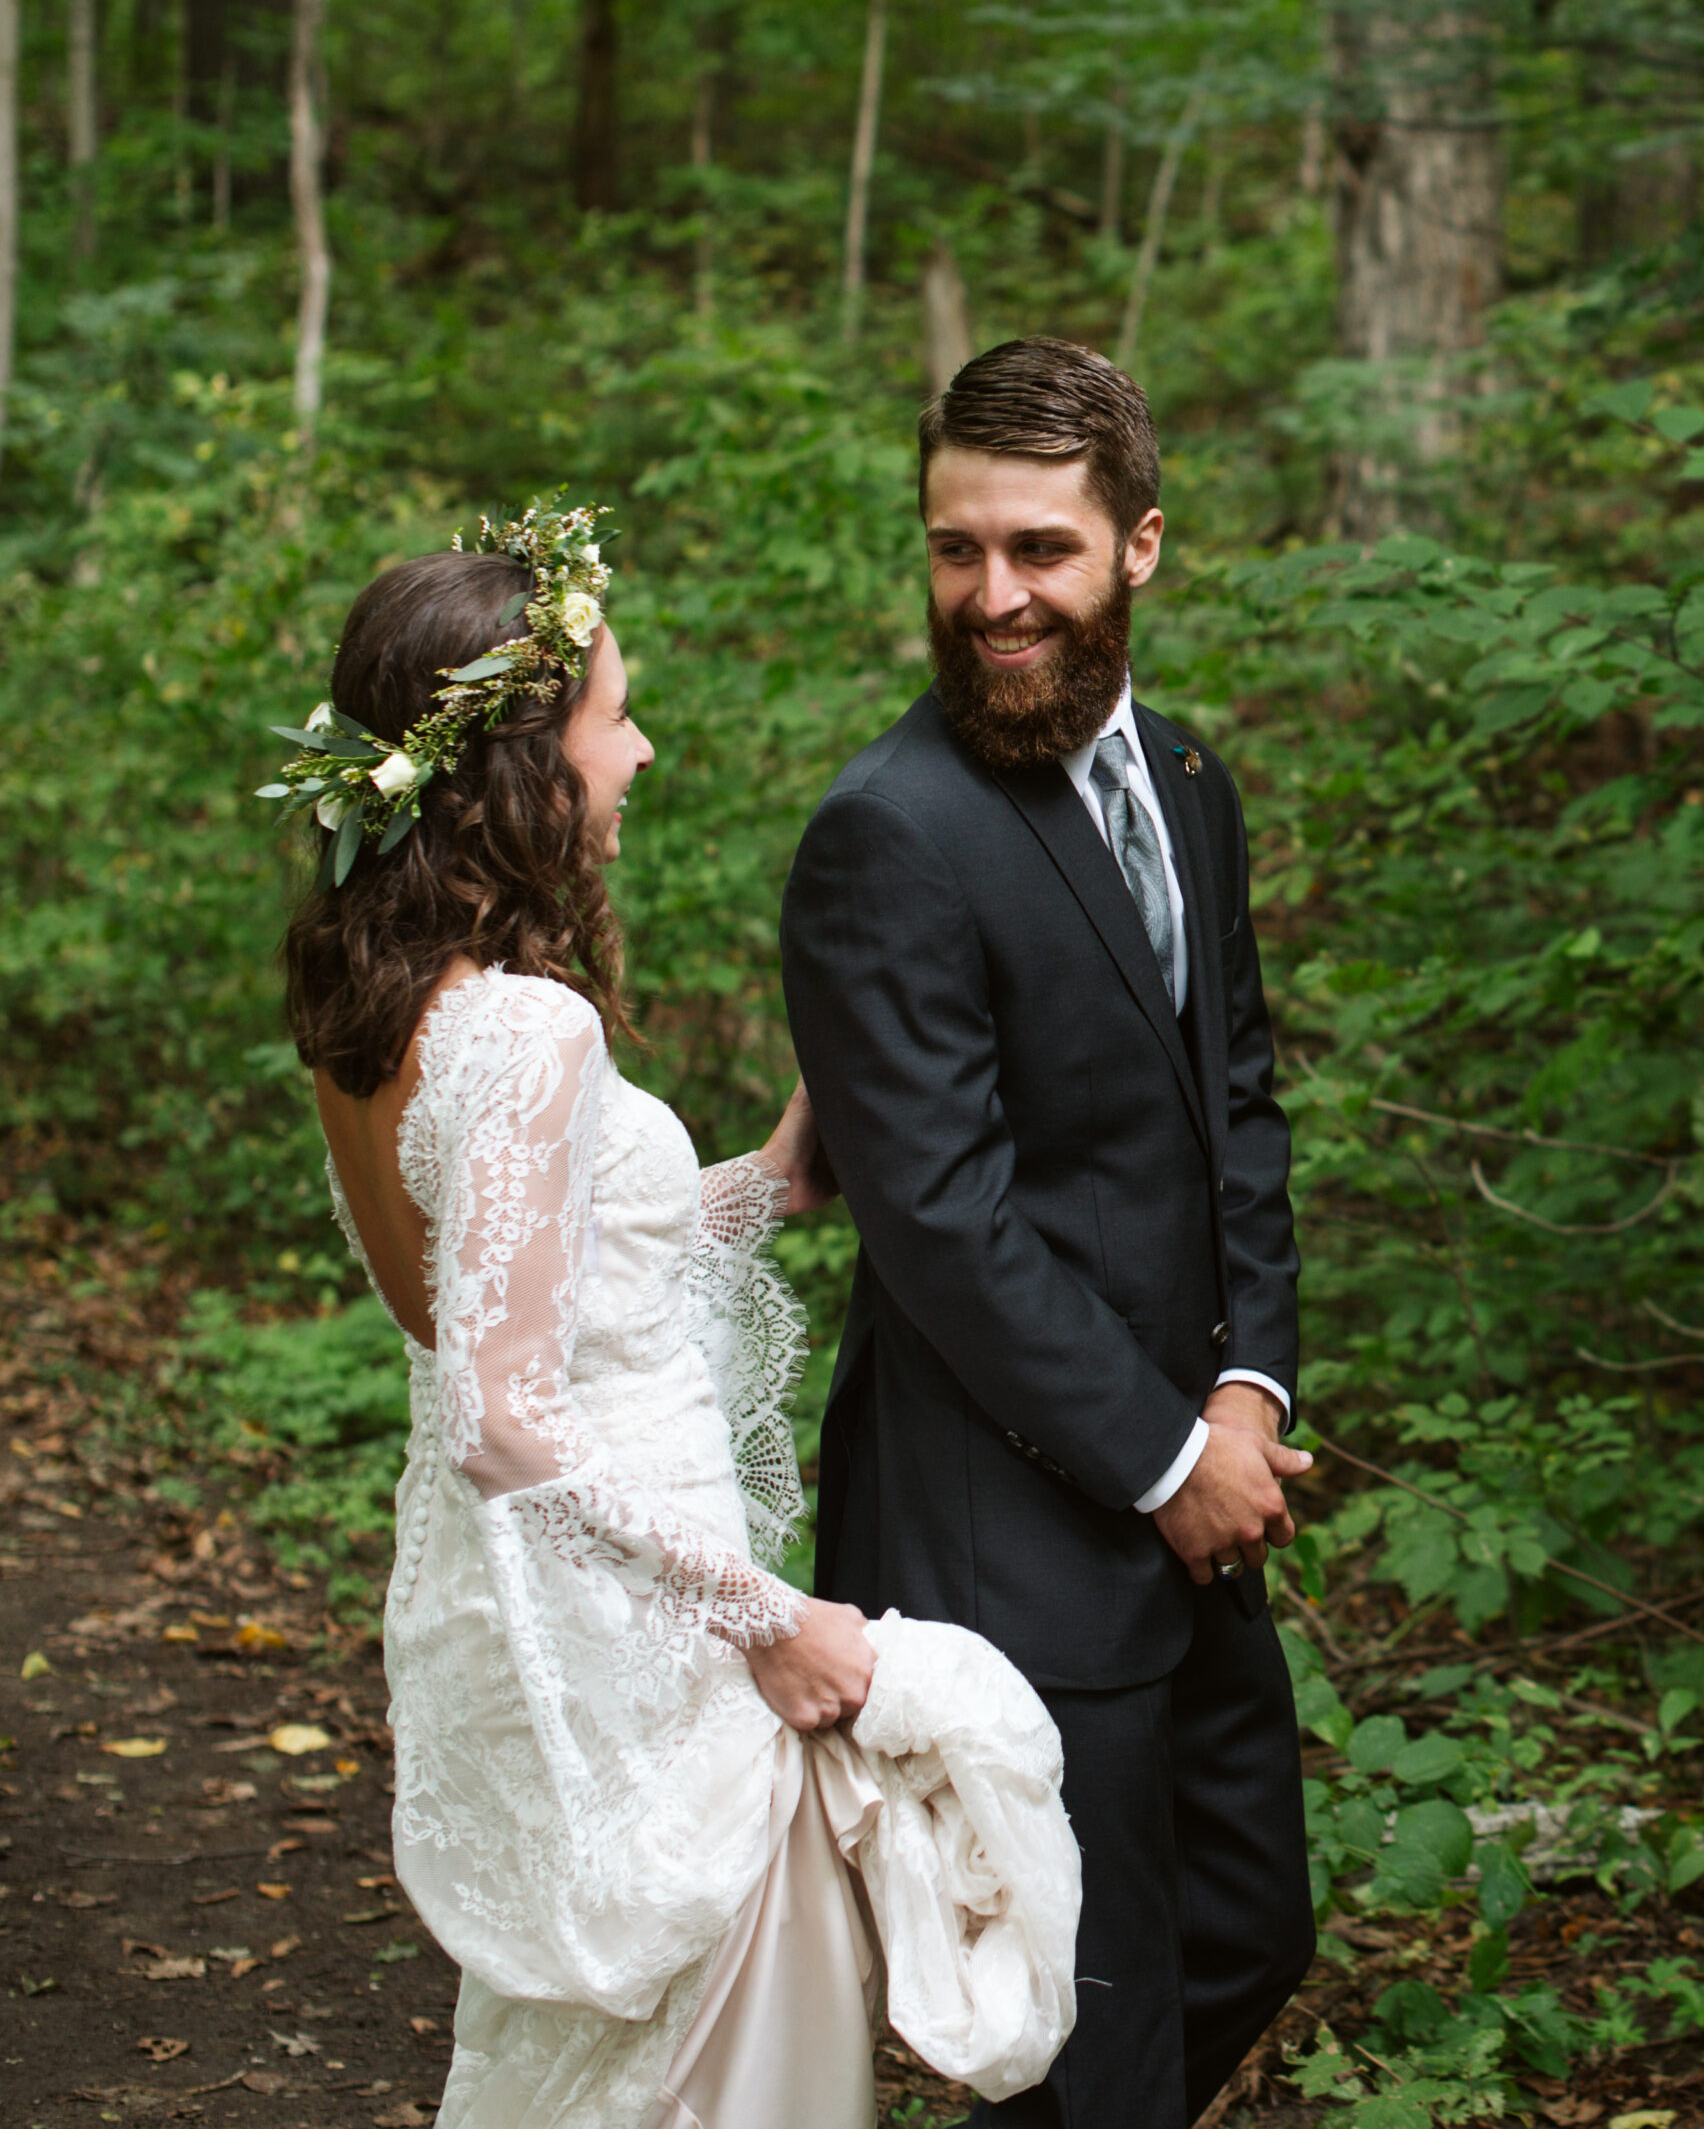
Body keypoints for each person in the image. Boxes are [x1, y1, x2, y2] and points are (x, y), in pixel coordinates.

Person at [265, 494, 1080, 2129]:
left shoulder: (386, 1008)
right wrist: (772, 1621)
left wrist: (789, 1154)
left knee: (596, 2058)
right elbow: (504, 1416)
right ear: (519, 769)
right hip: (639, 1618)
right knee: (722, 2061)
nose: (640, 753)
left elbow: (548, 1270)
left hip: (533, 1597)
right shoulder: (529, 1035)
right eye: (616, 717)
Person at [780, 340, 1318, 2129]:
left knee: (1251, 1924)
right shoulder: (887, 834)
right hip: (1008, 1527)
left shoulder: (1186, 778)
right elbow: (938, 1222)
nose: (990, 597)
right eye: (953, 551)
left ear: (1138, 547)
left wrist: (1243, 1387)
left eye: (1038, 551)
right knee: (1084, 2046)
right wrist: (1169, 1456)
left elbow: (1232, 1104)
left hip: (1189, 1499)